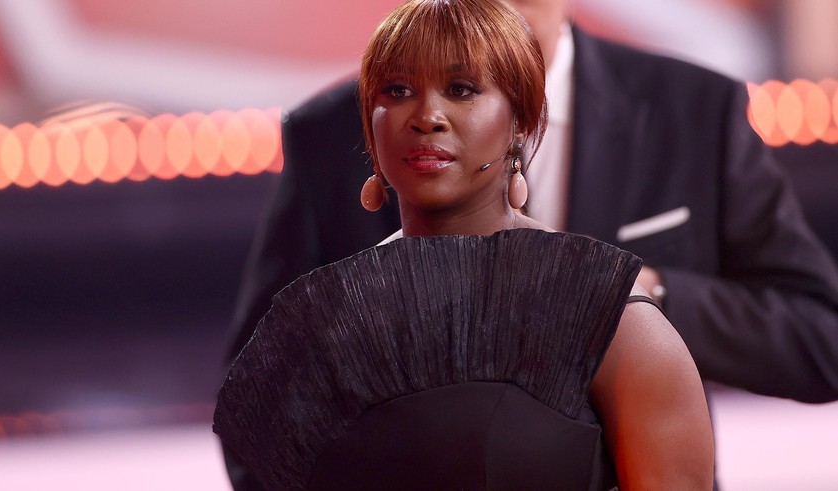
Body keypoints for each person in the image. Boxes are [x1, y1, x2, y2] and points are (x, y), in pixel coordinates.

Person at [228, 0, 838, 404]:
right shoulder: (332, 135)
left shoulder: (694, 113)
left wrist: (643, 295)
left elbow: (822, 341)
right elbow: (255, 393)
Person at [215, 0, 714, 488]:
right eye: (398, 89)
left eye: (462, 89)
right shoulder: (320, 326)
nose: (427, 116)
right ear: (370, 126)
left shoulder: (616, 323)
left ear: (520, 123)